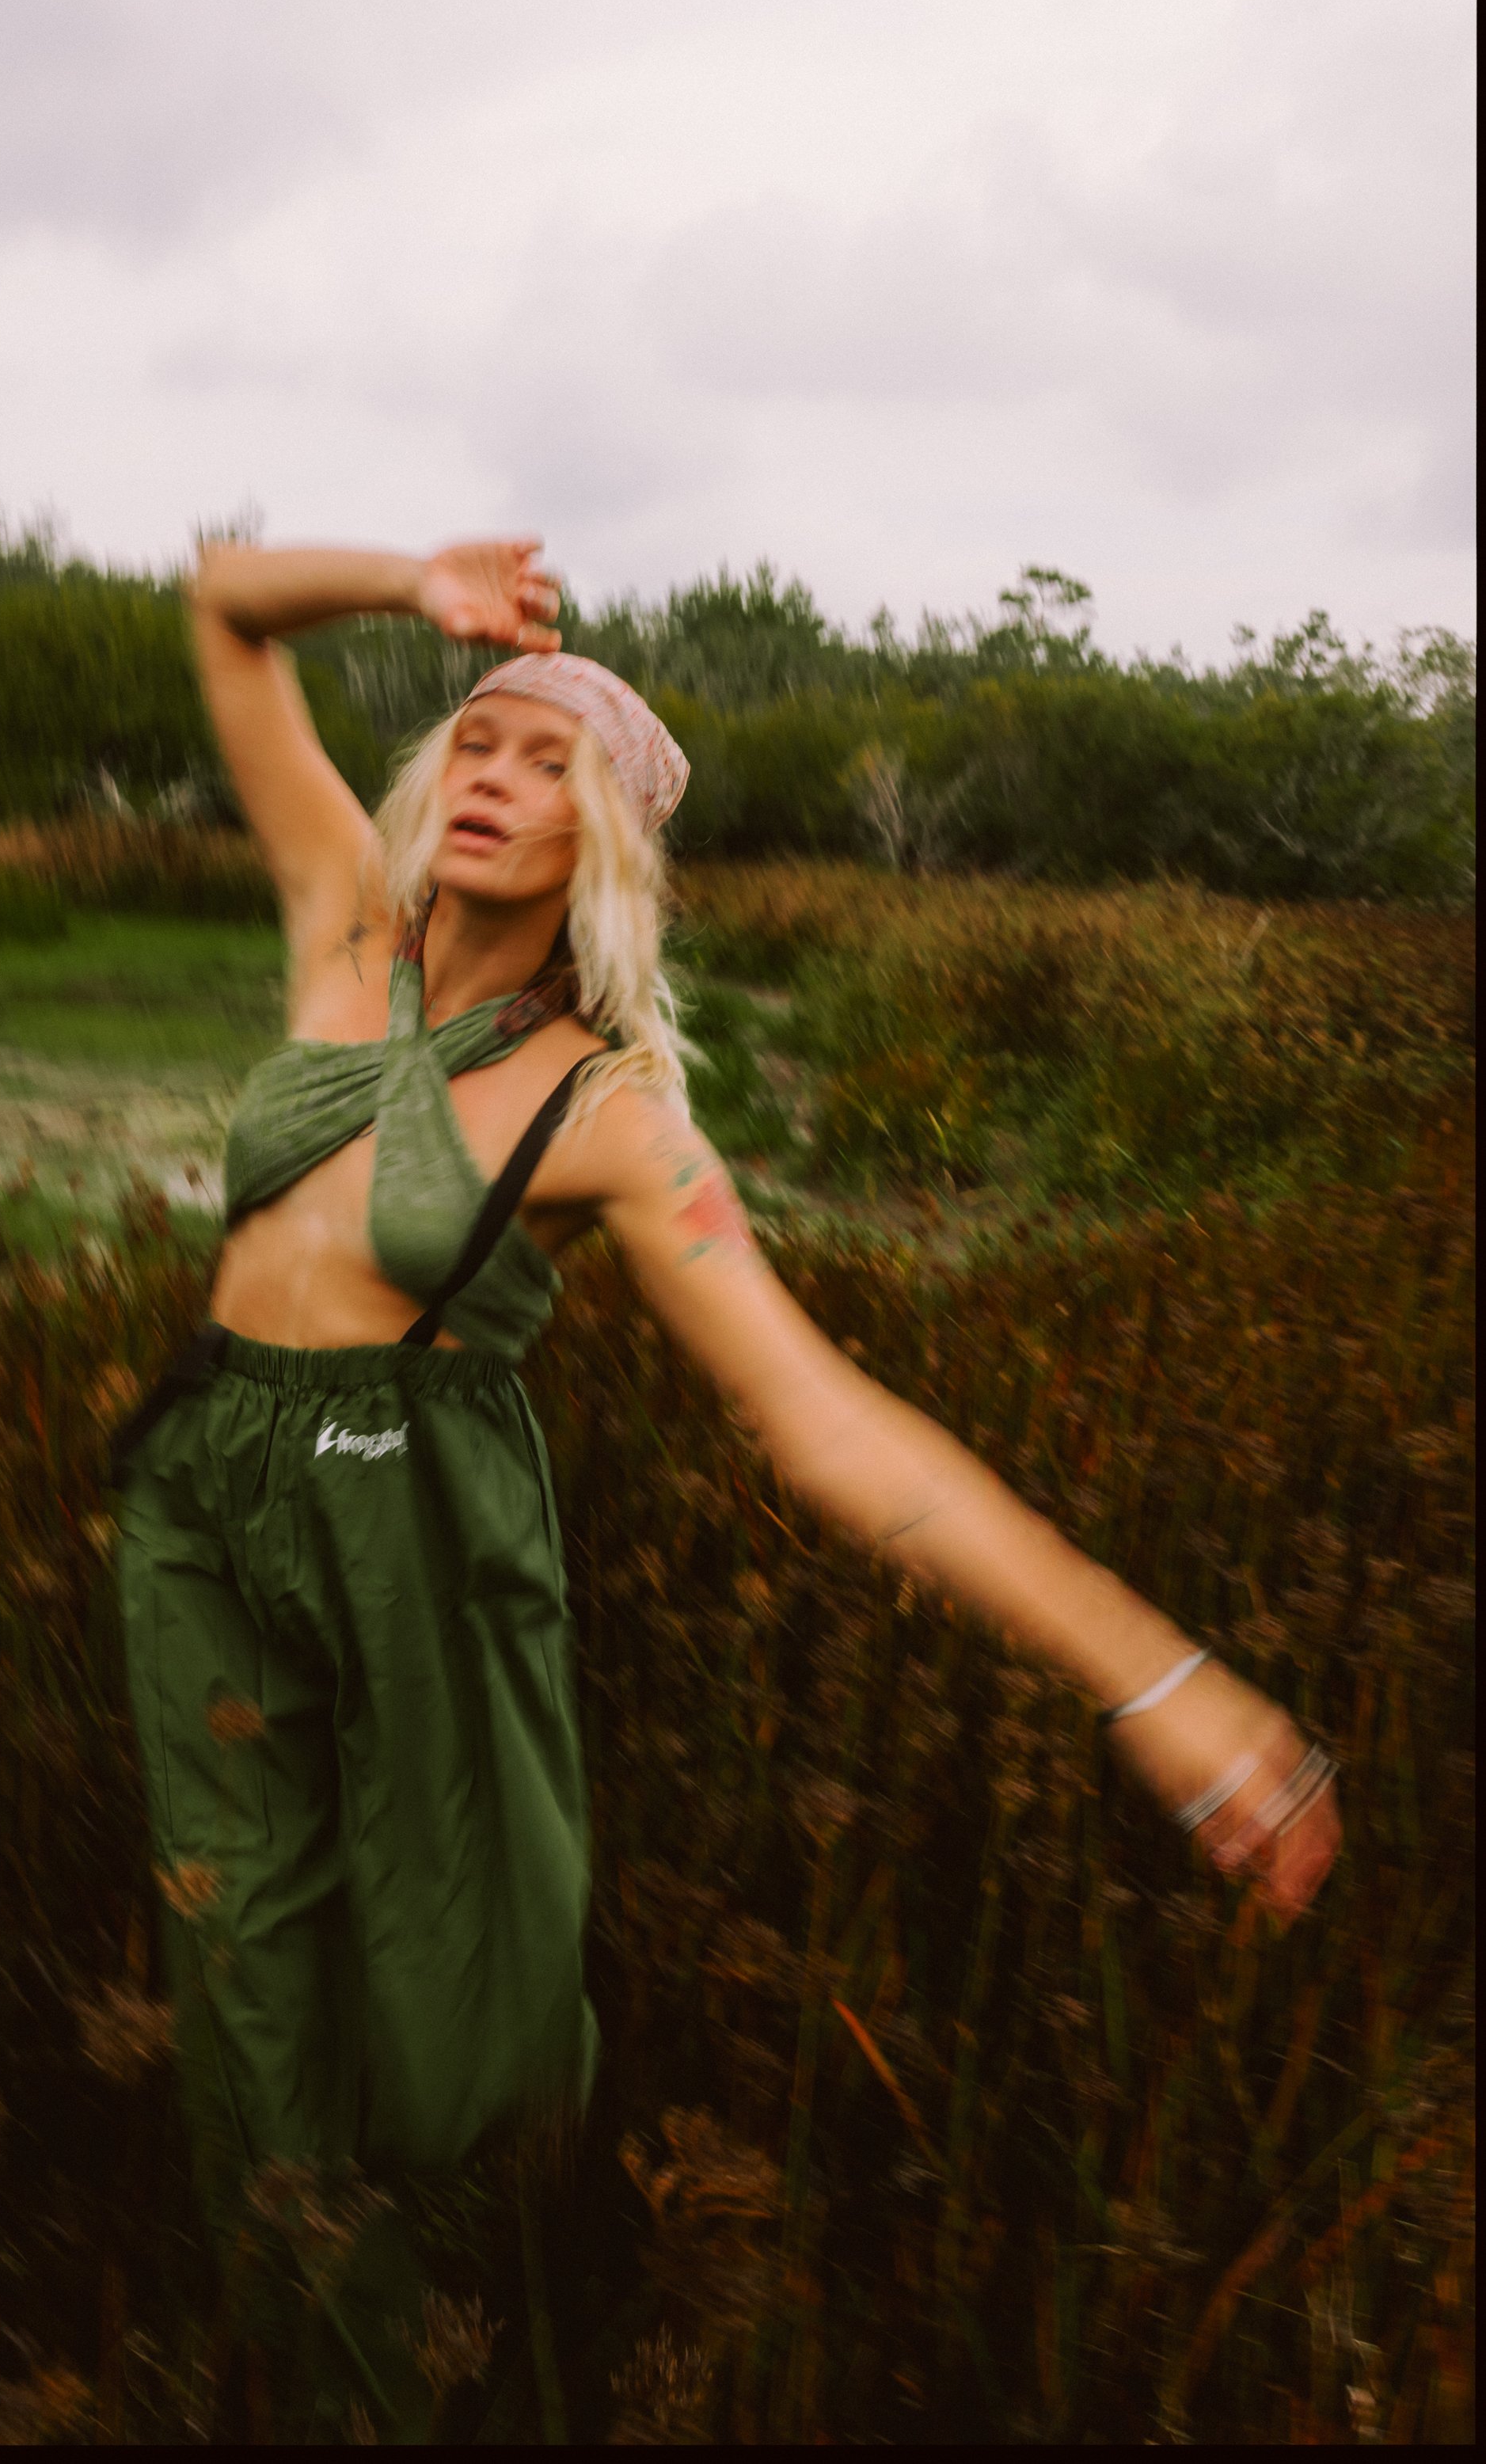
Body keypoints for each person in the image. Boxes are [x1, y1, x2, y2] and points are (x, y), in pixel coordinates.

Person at [113, 534, 1341, 2441]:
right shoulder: (343, 924)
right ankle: (315, 2364)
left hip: (419, 1534)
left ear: (607, 837)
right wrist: (410, 585)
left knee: (462, 2014)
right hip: (208, 1502)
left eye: (551, 760)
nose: (496, 773)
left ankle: (479, 2347)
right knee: (242, 1950)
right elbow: (218, 607)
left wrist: (1153, 1676)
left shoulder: (611, 1110)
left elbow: (819, 1415)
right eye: (478, 741)